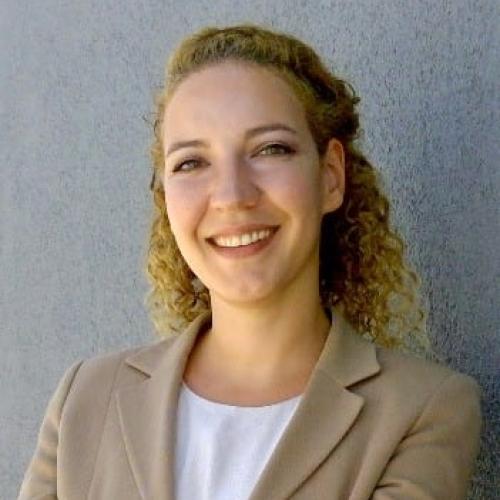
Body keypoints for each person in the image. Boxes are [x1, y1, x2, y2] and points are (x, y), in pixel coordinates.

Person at [19, 24, 481, 500]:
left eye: (270, 150)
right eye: (191, 162)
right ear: (166, 198)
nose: (232, 196)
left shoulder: (424, 409)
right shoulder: (86, 399)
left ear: (330, 177)